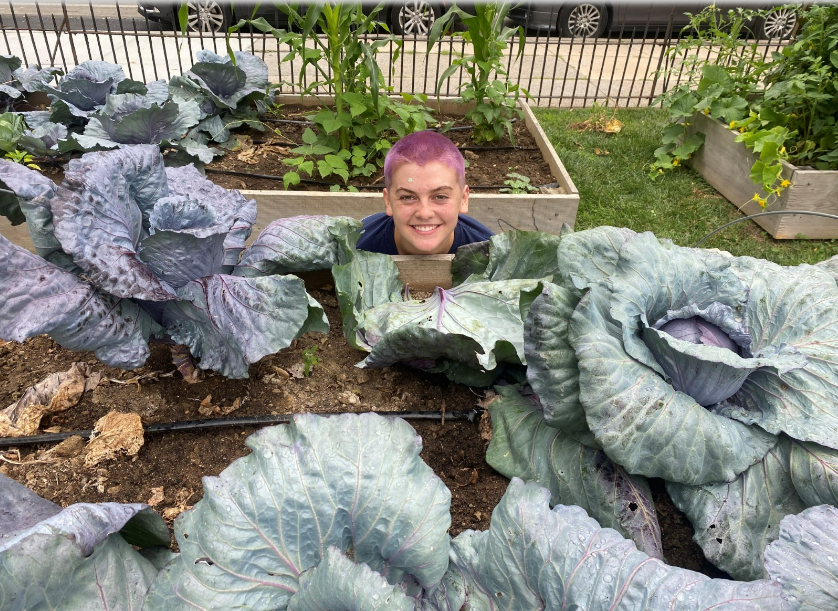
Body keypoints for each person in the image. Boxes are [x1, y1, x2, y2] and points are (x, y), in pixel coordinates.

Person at [356, 130, 494, 255]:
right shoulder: (354, 250)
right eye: (408, 197)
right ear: (388, 201)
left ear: (463, 199)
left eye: (440, 196)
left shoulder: (492, 256)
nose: (424, 213)